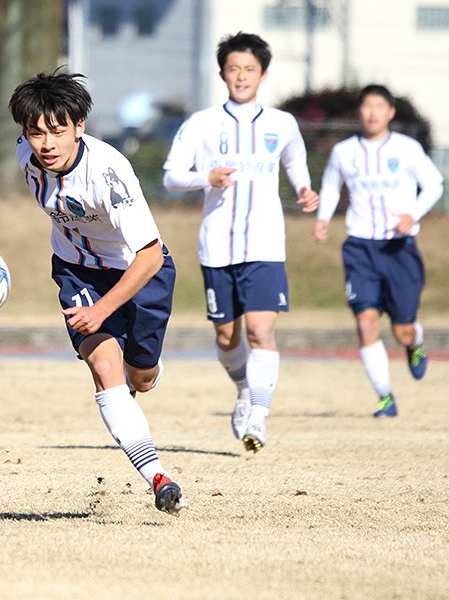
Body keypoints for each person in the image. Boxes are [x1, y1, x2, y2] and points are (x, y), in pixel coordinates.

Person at [8, 72, 187, 516]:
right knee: (103, 366)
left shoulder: (109, 174)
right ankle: (158, 477)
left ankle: (144, 368)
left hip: (139, 272)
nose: (46, 143)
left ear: (80, 126)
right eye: (35, 133)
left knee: (140, 378)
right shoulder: (25, 157)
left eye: (57, 131)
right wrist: (96, 309)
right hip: (77, 272)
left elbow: (149, 256)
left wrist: (106, 307)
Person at [162, 32, 319, 452]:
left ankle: (260, 416)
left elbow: (296, 163)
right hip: (217, 245)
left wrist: (305, 190)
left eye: (250, 69)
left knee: (261, 330)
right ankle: (245, 390)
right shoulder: (201, 123)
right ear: (222, 74)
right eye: (234, 68)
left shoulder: (281, 124)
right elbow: (170, 175)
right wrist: (204, 178)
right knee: (228, 338)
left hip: (266, 245)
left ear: (263, 74)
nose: (242, 76)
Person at [313, 84, 444, 417]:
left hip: (398, 248)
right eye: (367, 106)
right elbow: (330, 186)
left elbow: (434, 183)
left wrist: (412, 214)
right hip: (359, 247)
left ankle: (414, 342)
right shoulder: (344, 152)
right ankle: (385, 396)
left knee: (402, 329)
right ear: (360, 112)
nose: (373, 112)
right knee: (366, 322)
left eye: (379, 106)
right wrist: (323, 219)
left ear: (390, 112)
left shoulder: (407, 148)